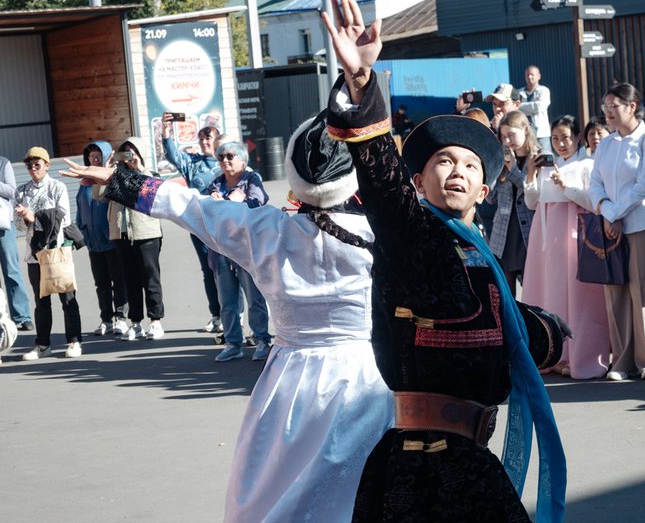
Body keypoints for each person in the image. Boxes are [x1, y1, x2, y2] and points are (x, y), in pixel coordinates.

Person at [62, 112, 395, 523]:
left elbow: (191, 207)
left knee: (275, 492)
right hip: (365, 379)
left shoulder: (267, 231)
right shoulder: (382, 235)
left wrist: (119, 181)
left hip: (291, 381)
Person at [321, 0, 565, 521]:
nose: (457, 170)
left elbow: (507, 328)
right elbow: (382, 182)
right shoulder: (413, 237)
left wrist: (547, 332)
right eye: (443, 160)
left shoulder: (482, 257)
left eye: (471, 165)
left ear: (484, 189)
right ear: (418, 182)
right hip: (420, 469)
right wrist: (364, 84)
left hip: (472, 461)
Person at [589, 83, 645, 381]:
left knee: (644, 291)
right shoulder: (607, 144)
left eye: (614, 106)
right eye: (605, 107)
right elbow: (594, 182)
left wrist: (615, 212)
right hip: (611, 226)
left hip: (642, 223)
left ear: (632, 106)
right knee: (616, 293)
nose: (609, 113)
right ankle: (622, 361)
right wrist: (607, 211)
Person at [522, 115, 610, 379]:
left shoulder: (586, 165)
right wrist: (531, 173)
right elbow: (531, 201)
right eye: (556, 138)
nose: (561, 143)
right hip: (545, 236)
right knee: (548, 292)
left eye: (566, 137)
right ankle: (552, 353)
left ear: (577, 138)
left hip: (573, 232)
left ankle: (577, 354)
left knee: (577, 295)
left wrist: (567, 186)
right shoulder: (548, 164)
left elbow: (591, 200)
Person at [205, 141, 273, 362]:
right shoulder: (215, 184)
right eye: (221, 157)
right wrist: (227, 201)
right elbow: (207, 211)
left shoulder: (252, 180)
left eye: (230, 156)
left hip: (246, 249)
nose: (225, 160)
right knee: (227, 302)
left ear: (243, 160)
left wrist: (234, 202)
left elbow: (258, 202)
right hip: (221, 251)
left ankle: (262, 339)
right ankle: (233, 344)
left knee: (255, 299)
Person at [93, 138, 165, 341]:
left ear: (140, 153)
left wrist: (138, 167)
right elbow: (98, 196)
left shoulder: (150, 174)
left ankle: (156, 321)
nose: (128, 157)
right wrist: (104, 172)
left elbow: (153, 189)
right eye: (124, 153)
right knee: (130, 280)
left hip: (146, 232)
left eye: (132, 152)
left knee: (150, 277)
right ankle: (136, 323)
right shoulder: (115, 175)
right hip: (121, 233)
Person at [15, 147, 82, 360]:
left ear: (47, 165)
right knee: (41, 301)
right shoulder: (22, 190)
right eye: (29, 165)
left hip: (57, 251)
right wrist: (26, 219)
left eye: (37, 164)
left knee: (67, 297)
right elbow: (18, 225)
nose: (33, 168)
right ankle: (43, 344)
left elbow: (64, 219)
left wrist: (34, 217)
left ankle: (74, 341)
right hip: (34, 255)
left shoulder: (57, 187)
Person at [161, 114, 222, 333]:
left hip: (226, 227)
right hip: (199, 227)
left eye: (209, 139)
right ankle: (216, 315)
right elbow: (173, 155)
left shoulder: (228, 160)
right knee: (208, 271)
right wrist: (166, 131)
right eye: (202, 140)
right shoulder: (193, 164)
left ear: (217, 140)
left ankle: (234, 313)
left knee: (229, 271)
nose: (205, 143)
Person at [76, 141, 128, 337]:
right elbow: (81, 210)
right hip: (93, 243)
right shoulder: (84, 182)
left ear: (106, 155)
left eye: (99, 154)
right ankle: (106, 319)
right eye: (91, 155)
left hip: (112, 240)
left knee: (118, 280)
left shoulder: (112, 179)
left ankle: (121, 318)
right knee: (101, 283)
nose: (95, 157)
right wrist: (82, 232)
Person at [489, 110, 538, 297]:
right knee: (505, 295)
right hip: (504, 231)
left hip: (528, 231)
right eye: (503, 136)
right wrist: (494, 166)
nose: (507, 141)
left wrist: (513, 171)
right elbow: (490, 197)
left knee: (532, 292)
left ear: (525, 130)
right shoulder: (504, 158)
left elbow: (533, 192)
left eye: (511, 135)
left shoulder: (538, 156)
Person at [0, 154, 33, 331]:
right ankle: (1, 318)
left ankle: (22, 316)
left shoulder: (3, 162)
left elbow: (13, 191)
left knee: (11, 270)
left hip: (4, 224)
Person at [518, 65, 552, 151]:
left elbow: (538, 107)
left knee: (546, 156)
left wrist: (520, 106)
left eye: (532, 74)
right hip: (525, 133)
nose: (529, 77)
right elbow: (514, 107)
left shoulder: (544, 90)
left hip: (541, 134)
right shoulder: (519, 92)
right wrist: (531, 107)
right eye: (527, 75)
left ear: (538, 76)